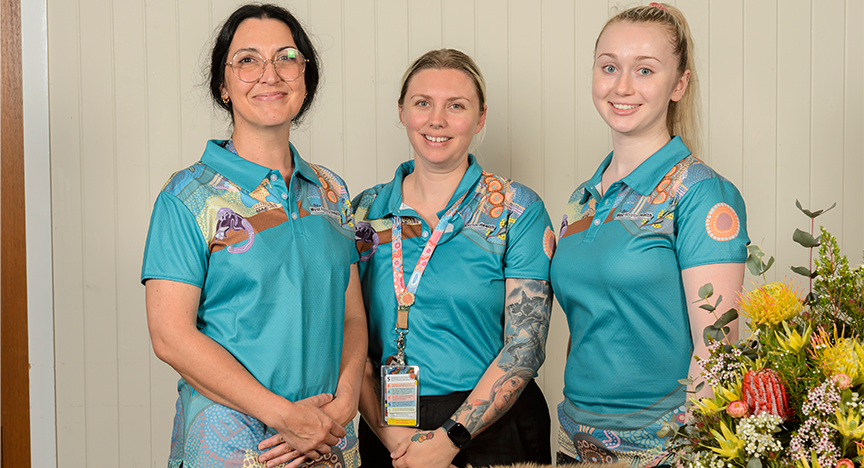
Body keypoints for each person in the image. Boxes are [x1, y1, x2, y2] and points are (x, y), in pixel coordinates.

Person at [140, 4, 366, 468]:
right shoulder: (187, 196)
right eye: (247, 60)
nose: (270, 74)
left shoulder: (332, 191)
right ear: (222, 86)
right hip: (234, 442)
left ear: (305, 77)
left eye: (286, 57)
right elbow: (170, 337)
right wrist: (283, 416)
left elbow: (352, 318)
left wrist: (343, 404)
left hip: (328, 437)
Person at [550, 3, 749, 467]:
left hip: (661, 444)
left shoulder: (701, 193)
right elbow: (585, 322)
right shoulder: (582, 198)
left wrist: (693, 451)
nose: (622, 86)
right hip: (574, 436)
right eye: (609, 67)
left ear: (678, 84)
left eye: (644, 70)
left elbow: (717, 346)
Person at [353, 48, 556, 468]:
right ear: (402, 111)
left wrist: (449, 440)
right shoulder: (363, 212)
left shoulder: (516, 209)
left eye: (456, 106)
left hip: (491, 425)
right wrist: (398, 443)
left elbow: (526, 345)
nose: (437, 120)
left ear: (480, 118)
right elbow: (347, 339)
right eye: (422, 103)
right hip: (388, 424)